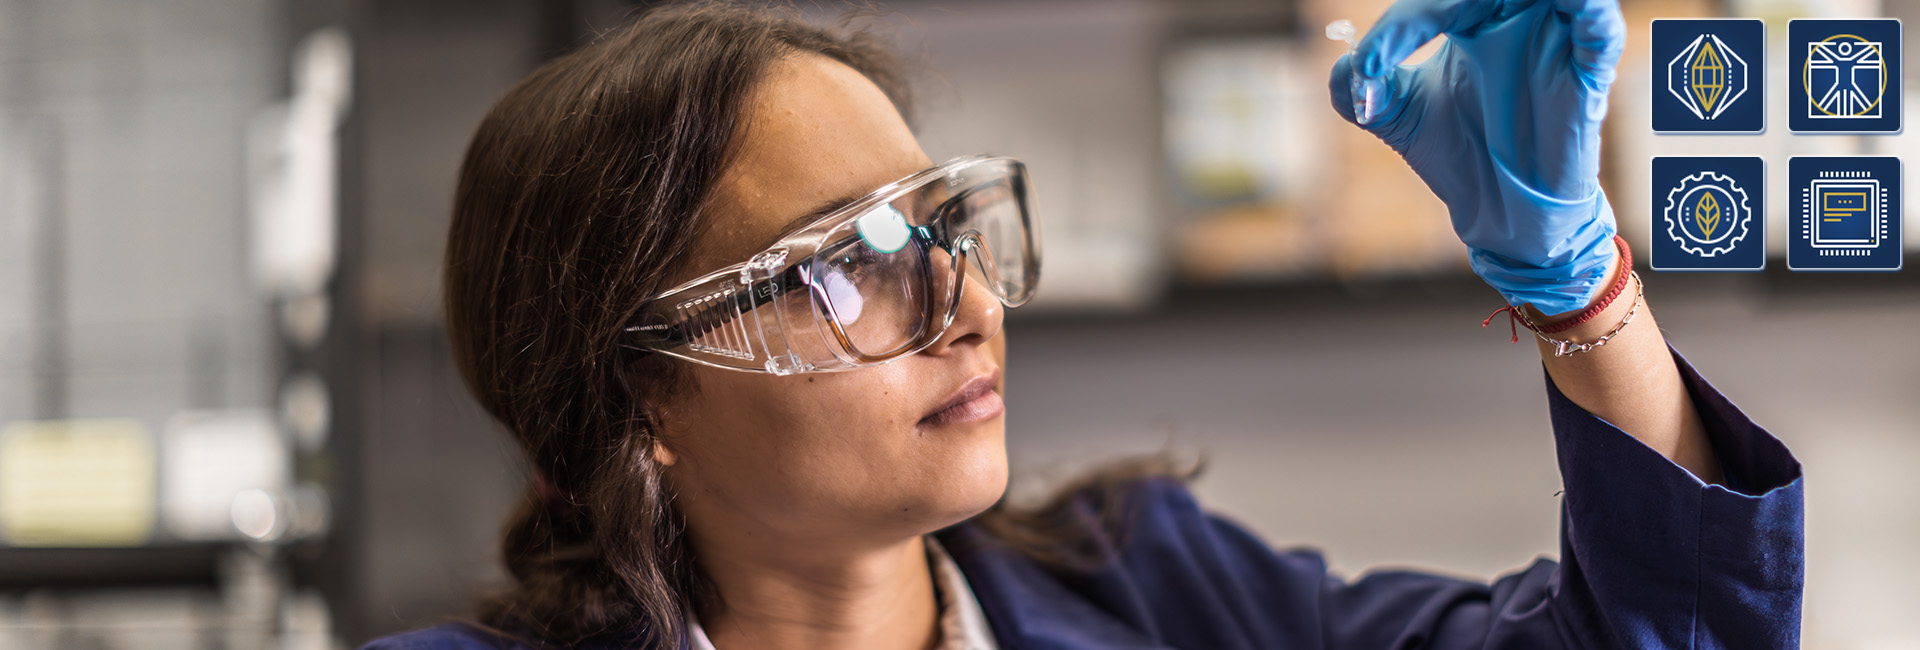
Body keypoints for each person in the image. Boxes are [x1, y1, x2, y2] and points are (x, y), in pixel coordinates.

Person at [366, 0, 1804, 648]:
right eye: (853, 260)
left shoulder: (1159, 589)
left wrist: (1582, 291)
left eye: (946, 222)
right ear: (644, 403)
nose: (966, 300)